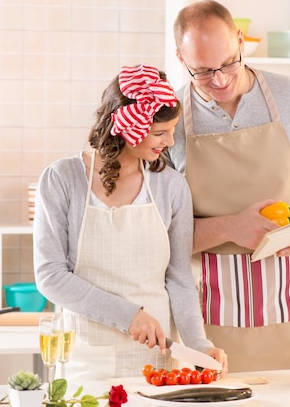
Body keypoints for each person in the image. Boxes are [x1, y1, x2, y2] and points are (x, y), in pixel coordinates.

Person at [167, 0, 290, 372]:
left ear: (240, 41)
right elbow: (161, 235)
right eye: (203, 72)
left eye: (228, 63)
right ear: (180, 59)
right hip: (209, 326)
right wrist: (231, 227)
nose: (220, 80)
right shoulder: (170, 122)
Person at [33, 64, 227, 381]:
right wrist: (129, 316)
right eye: (160, 132)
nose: (169, 142)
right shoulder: (62, 179)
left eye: (172, 131)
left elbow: (179, 277)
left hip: (158, 361)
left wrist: (199, 346)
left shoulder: (171, 186)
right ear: (129, 126)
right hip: (86, 361)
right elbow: (50, 277)